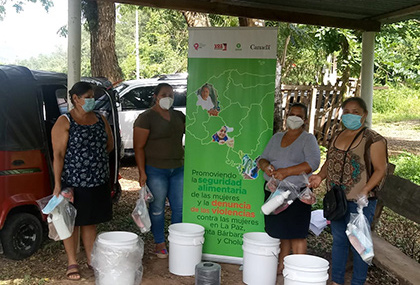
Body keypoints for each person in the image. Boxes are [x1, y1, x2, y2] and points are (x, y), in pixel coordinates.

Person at [309, 97, 388, 285]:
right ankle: (336, 281)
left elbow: (380, 169)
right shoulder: (337, 135)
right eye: (347, 112)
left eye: (356, 112)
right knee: (339, 241)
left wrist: (366, 190)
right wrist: (320, 176)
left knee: (359, 245)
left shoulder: (373, 140)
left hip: (360, 202)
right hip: (336, 201)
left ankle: (357, 282)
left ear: (365, 115)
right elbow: (331, 161)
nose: (350, 115)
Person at [52, 82, 114, 280]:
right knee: (71, 223)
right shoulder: (65, 121)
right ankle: (72, 262)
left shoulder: (100, 119)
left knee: (90, 222)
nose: (91, 100)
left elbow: (109, 145)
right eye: (87, 96)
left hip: (97, 180)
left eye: (92, 96)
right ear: (76, 99)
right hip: (73, 181)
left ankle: (91, 259)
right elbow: (58, 155)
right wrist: (57, 185)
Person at [258, 103, 320, 274]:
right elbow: (262, 159)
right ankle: (282, 266)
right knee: (282, 231)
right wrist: (266, 166)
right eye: (291, 114)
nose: (294, 118)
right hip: (275, 192)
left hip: (297, 193)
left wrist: (286, 172)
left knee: (297, 233)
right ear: (286, 115)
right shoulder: (277, 137)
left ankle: (300, 272)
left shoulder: (308, 139)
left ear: (305, 120)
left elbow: (312, 164)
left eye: (298, 115)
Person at [133, 83, 185, 258]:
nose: (168, 98)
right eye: (164, 94)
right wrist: (142, 172)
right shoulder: (146, 118)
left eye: (171, 94)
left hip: (178, 168)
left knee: (179, 208)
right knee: (157, 208)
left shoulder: (179, 116)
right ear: (155, 96)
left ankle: (177, 241)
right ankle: (159, 243)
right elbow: (138, 147)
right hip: (155, 170)